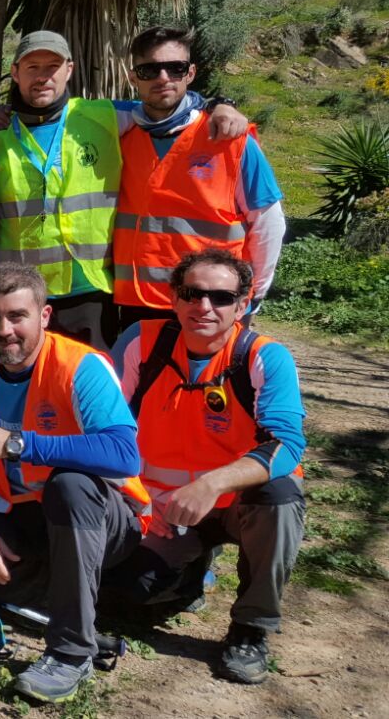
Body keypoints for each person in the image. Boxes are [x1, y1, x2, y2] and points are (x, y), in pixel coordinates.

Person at [0, 262, 152, 704]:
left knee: (69, 485)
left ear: (44, 317)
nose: (5, 330)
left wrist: (16, 444)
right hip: (23, 518)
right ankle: (52, 600)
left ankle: (71, 651)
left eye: (18, 316)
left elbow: (123, 455)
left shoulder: (83, 367)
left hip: (103, 521)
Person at [108, 249, 305, 685]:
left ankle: (251, 627)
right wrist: (138, 502)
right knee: (126, 595)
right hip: (163, 512)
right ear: (173, 299)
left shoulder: (263, 357)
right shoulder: (142, 341)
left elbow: (286, 443)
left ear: (243, 303)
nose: (204, 307)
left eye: (220, 297)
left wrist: (211, 485)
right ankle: (189, 576)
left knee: (280, 496)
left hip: (242, 505)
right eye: (192, 294)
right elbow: (103, 429)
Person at [0, 30, 250, 349]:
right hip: (20, 294)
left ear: (69, 70)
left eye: (52, 67)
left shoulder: (105, 115)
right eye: (33, 67)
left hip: (92, 293)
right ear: (15, 72)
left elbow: (169, 106)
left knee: (89, 391)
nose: (43, 77)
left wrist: (220, 104)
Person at [113, 27, 285, 327]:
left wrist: (254, 295)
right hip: (137, 304)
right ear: (133, 76)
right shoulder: (118, 132)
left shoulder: (230, 139)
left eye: (175, 68)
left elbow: (269, 222)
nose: (163, 78)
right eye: (149, 69)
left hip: (211, 303)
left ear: (190, 73)